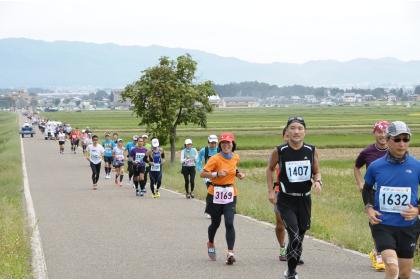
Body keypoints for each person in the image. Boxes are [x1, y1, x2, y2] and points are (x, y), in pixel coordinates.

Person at [363, 121, 420, 279]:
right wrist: (369, 208)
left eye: (405, 139)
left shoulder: (417, 166)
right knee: (391, 266)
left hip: (408, 227)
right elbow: (367, 189)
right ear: (388, 141)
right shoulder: (376, 166)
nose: (402, 144)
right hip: (383, 225)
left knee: (405, 274)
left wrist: (417, 210)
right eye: (397, 139)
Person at [266, 116, 321, 279]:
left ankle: (291, 268)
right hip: (285, 200)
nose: (296, 131)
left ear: (305, 132)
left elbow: (316, 171)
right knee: (295, 235)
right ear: (287, 132)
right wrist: (270, 191)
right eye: (293, 128)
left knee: (300, 237)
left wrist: (318, 181)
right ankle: (291, 273)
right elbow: (269, 169)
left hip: (304, 199)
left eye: (300, 128)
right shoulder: (279, 151)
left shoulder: (311, 150)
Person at [200, 132, 245, 265]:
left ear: (233, 144)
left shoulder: (235, 157)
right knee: (215, 223)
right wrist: (216, 173)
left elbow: (234, 168)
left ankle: (230, 253)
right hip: (215, 194)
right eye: (224, 143)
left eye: (228, 143)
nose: (226, 145)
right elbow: (203, 174)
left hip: (230, 194)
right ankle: (210, 243)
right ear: (220, 145)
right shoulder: (215, 158)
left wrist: (239, 174)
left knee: (229, 223)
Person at [354, 120, 389, 271]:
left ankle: (380, 251)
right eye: (379, 132)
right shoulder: (367, 152)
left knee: (391, 223)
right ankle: (379, 254)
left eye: (385, 132)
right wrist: (360, 183)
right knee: (376, 222)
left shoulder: (395, 150)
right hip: (372, 192)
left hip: (390, 193)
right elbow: (356, 167)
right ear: (374, 133)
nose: (383, 135)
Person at [197, 134, 219, 218]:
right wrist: (201, 170)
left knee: (217, 193)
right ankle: (209, 211)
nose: (213, 144)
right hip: (207, 175)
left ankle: (215, 210)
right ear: (208, 142)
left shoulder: (219, 150)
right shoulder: (204, 150)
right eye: (211, 142)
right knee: (211, 192)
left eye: (214, 143)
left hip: (217, 175)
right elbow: (198, 161)